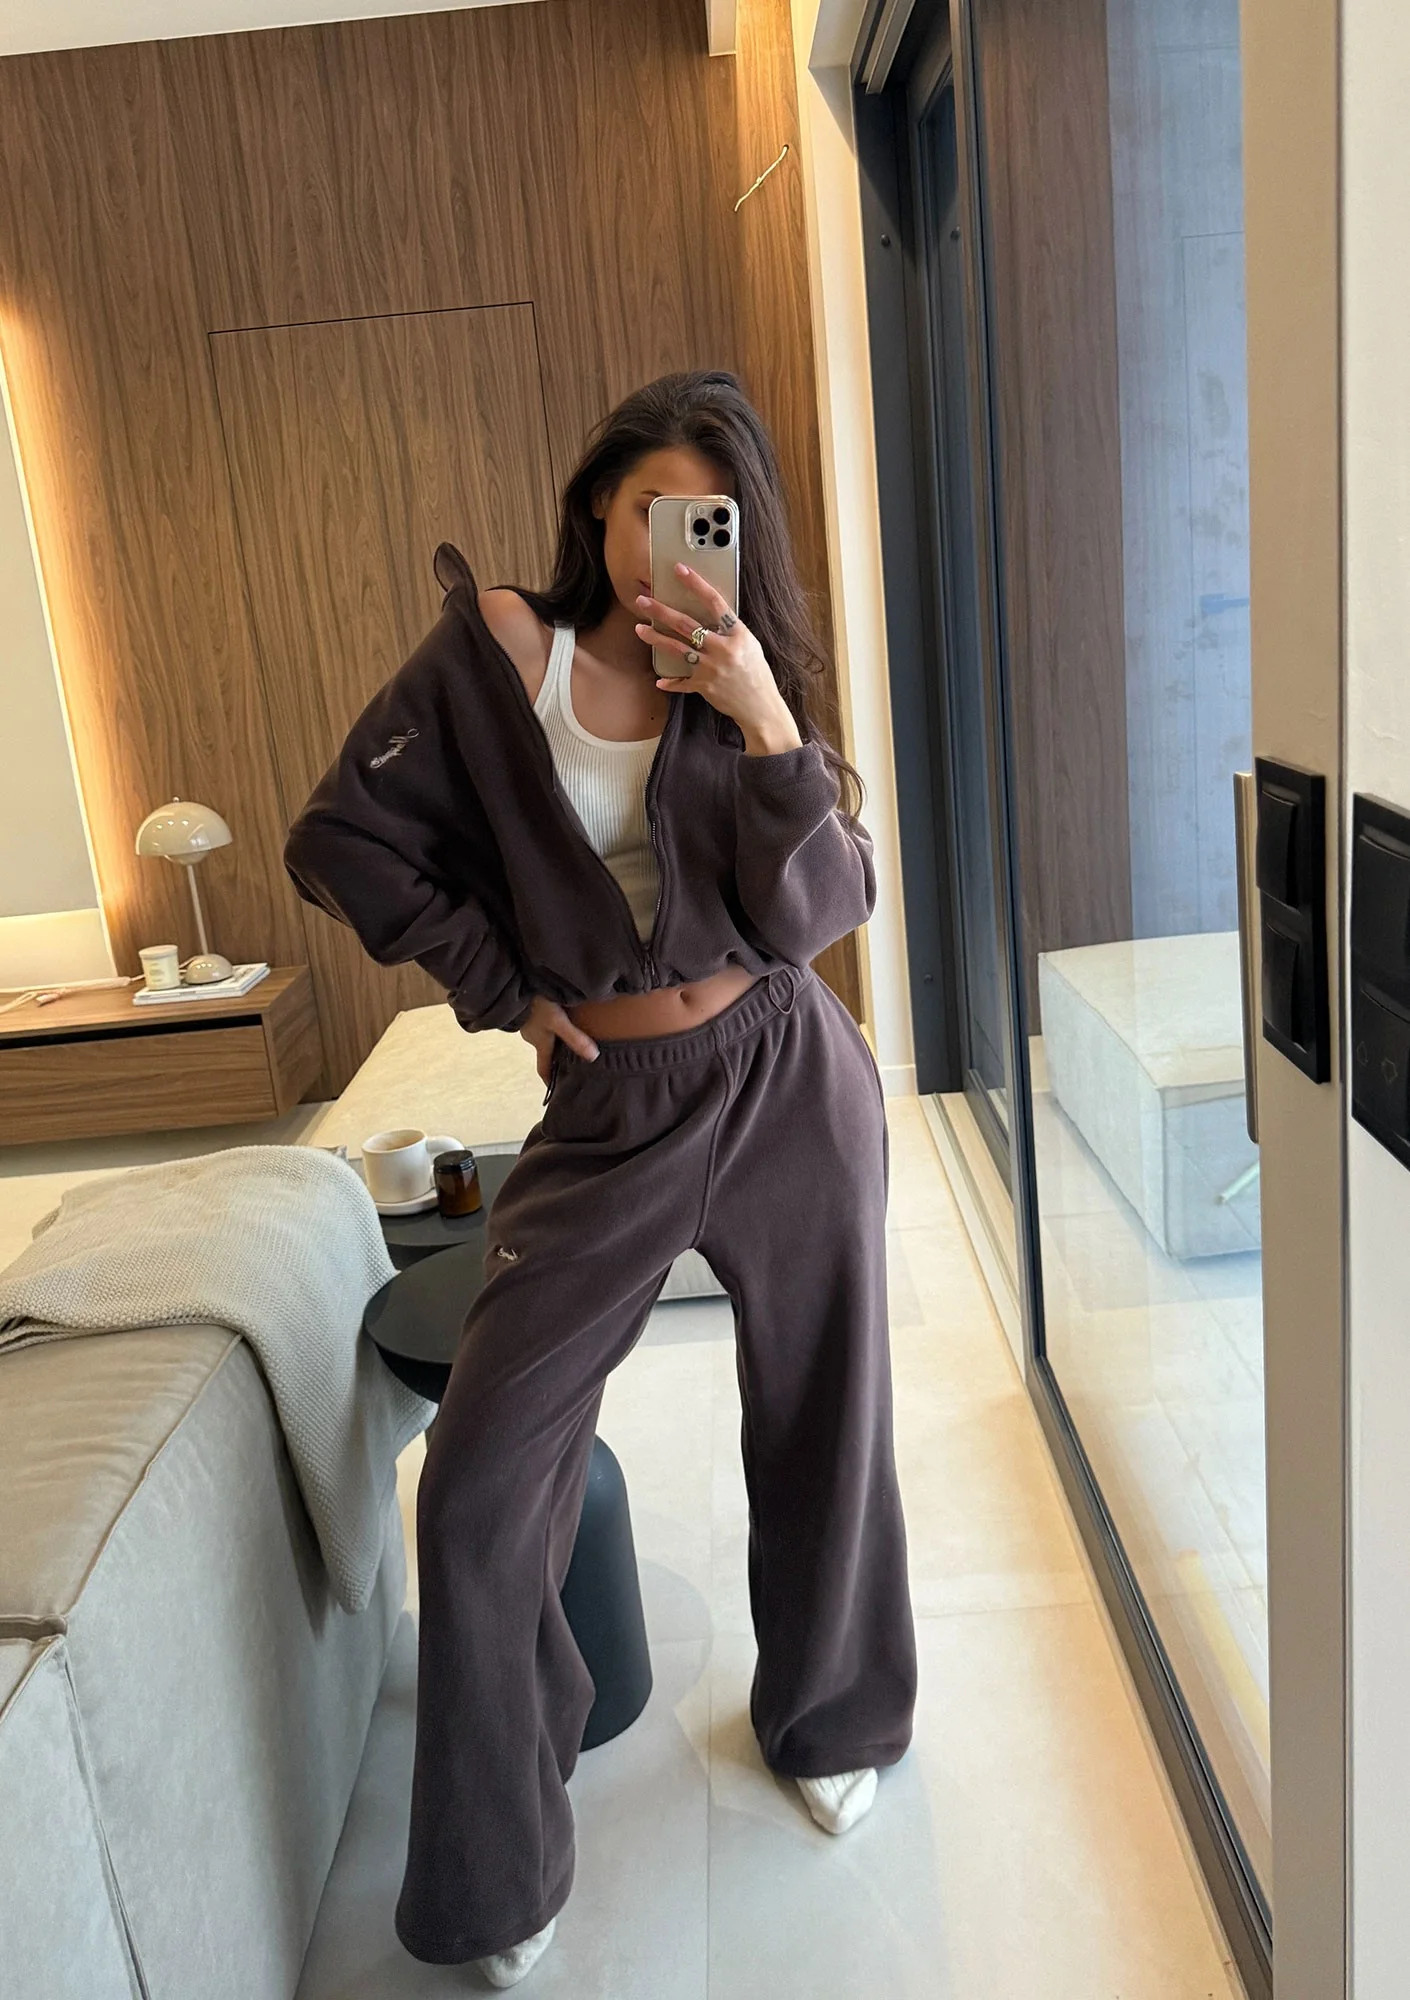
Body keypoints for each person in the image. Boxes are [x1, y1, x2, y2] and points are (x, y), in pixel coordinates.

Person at [283, 370, 917, 1988]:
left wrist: (763, 717)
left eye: (707, 518)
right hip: (610, 1102)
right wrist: (506, 989)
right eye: (647, 510)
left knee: (826, 1405)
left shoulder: (744, 673)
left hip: (785, 1072)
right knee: (482, 1474)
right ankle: (500, 1862)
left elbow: (826, 910)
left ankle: (833, 1712)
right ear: (593, 509)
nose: (670, 547)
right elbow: (343, 840)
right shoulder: (506, 652)